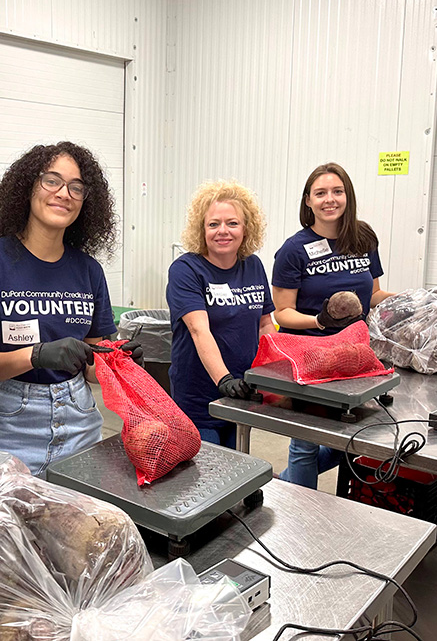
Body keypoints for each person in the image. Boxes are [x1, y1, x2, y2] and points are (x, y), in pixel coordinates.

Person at [0, 142, 142, 475]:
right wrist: (36, 355)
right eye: (51, 181)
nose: (64, 193)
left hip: (80, 422)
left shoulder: (89, 270)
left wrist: (117, 364)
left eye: (76, 187)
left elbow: (90, 367)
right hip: (12, 425)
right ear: (27, 187)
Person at [272, 161, 393, 488]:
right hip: (309, 355)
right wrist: (320, 321)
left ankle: (283, 484)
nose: (330, 199)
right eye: (321, 193)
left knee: (354, 440)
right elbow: (282, 313)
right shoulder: (293, 251)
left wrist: (419, 300)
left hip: (354, 355)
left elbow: (375, 293)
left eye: (337, 191)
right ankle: (302, 518)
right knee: (306, 442)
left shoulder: (364, 237)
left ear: (347, 196)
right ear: (308, 200)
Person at [166, 180, 275, 448]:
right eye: (213, 224)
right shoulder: (186, 270)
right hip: (200, 399)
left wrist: (276, 375)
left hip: (244, 394)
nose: (222, 231)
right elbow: (198, 330)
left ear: (246, 227)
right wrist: (224, 379)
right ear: (201, 229)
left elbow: (265, 325)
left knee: (238, 467)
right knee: (208, 476)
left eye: (232, 223)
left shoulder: (253, 266)